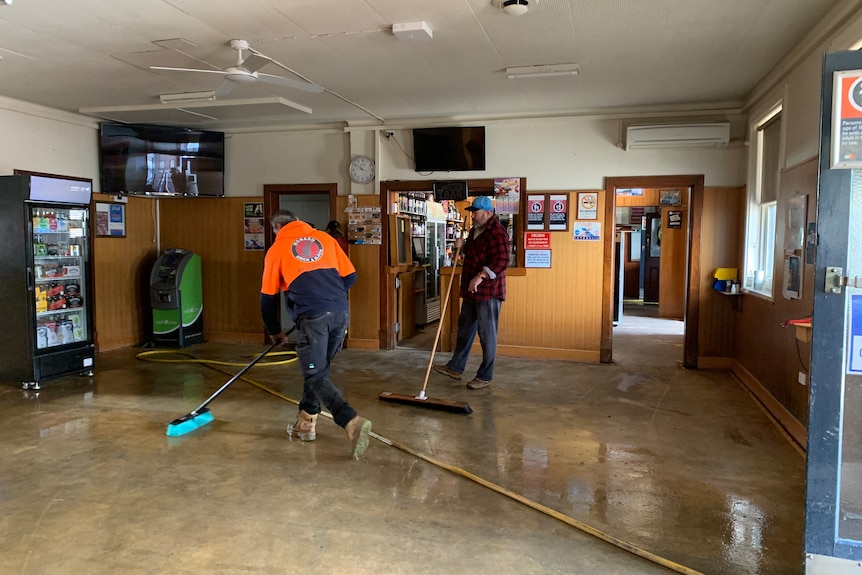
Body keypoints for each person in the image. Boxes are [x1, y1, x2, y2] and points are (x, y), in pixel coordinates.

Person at [260, 210, 372, 458]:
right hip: (340, 313)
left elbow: (267, 299)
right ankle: (306, 423)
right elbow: (351, 276)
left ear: (277, 227)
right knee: (318, 371)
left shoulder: (277, 249)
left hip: (314, 318)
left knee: (314, 372)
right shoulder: (325, 239)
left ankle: (351, 421)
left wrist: (275, 331)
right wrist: (329, 298)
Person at [433, 195, 509, 389]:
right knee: (465, 329)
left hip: (488, 293)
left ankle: (485, 375)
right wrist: (462, 246)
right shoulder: (476, 230)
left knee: (487, 335)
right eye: (472, 212)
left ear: (488, 213)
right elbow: (474, 252)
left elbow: (502, 261)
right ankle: (456, 367)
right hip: (471, 291)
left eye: (475, 212)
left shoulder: (497, 232)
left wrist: (480, 276)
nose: (473, 215)